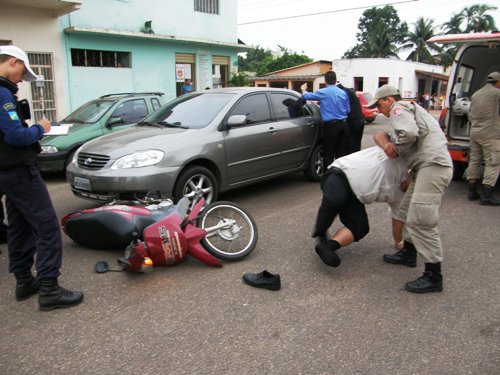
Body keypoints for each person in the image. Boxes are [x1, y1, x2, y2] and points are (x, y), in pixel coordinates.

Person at [0, 45, 84, 310]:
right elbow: (15, 136)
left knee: (19, 225)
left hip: (6, 172)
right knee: (46, 227)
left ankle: (24, 280)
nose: (20, 80)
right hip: (18, 170)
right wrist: (41, 128)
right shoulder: (2, 94)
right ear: (13, 62)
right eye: (21, 73)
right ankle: (50, 289)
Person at [369, 84, 453, 294]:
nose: (379, 111)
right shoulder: (408, 109)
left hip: (432, 166)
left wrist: (394, 149)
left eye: (379, 105)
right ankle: (408, 253)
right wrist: (410, 172)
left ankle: (434, 276)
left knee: (421, 221)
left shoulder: (399, 108)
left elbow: (409, 134)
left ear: (389, 100)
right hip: (424, 168)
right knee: (405, 211)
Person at [312, 147, 410, 268]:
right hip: (339, 174)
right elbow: (380, 135)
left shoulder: (402, 196)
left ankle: (327, 247)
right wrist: (385, 144)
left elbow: (398, 219)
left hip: (355, 197)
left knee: (361, 226)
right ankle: (320, 232)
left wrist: (399, 242)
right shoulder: (402, 156)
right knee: (335, 201)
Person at [301, 71, 350, 170]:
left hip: (331, 126)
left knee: (329, 151)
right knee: (341, 152)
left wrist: (303, 89)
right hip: (344, 125)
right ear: (335, 80)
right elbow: (348, 110)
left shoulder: (323, 92)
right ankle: (341, 175)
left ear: (325, 81)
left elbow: (307, 96)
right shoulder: (343, 93)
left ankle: (329, 175)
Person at [466, 71, 500, 206]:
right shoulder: (497, 93)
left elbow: (470, 114)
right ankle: (486, 195)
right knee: (493, 162)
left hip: (475, 133)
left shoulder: (476, 94)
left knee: (474, 160)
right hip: (491, 134)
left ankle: (472, 191)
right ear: (498, 82)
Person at [337, 82, 366, 154]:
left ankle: (350, 161)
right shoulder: (351, 90)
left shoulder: (343, 92)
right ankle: (356, 160)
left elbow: (345, 108)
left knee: (350, 144)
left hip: (353, 120)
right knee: (356, 143)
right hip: (360, 119)